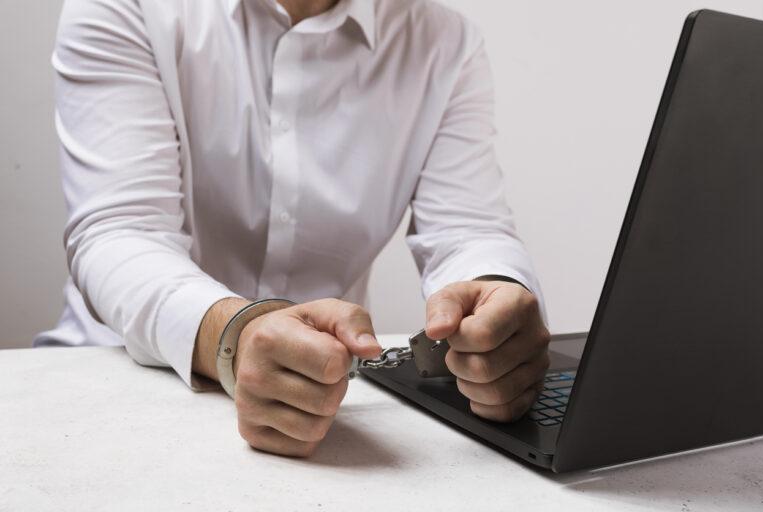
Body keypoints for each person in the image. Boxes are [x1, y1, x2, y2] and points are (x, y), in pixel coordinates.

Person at [36, 0, 551, 457]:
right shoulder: (125, 6)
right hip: (109, 386)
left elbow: (468, 228)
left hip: (322, 414)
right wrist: (239, 333)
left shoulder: (444, 42)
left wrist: (497, 295)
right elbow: (119, 231)